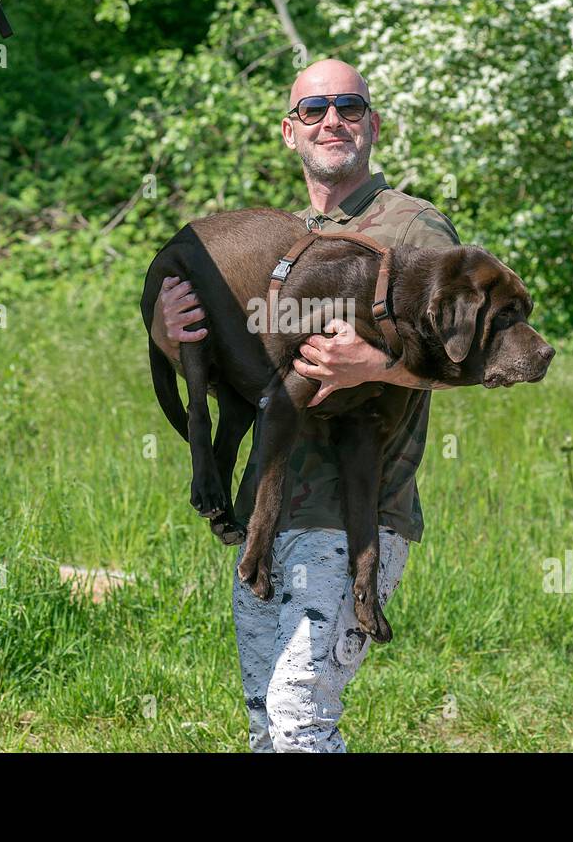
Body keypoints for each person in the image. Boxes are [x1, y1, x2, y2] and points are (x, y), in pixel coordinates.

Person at [150, 58, 460, 752]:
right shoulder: (268, 244)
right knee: (268, 723)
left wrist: (375, 363)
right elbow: (238, 374)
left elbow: (461, 354)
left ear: (373, 124)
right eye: (314, 109)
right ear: (290, 132)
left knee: (299, 717)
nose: (333, 121)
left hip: (353, 517)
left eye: (349, 106)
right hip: (270, 510)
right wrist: (172, 332)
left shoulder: (414, 229)